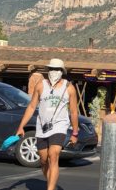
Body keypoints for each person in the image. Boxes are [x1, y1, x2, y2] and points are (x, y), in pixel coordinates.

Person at [16, 58, 78, 190]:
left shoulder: (69, 88)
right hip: (42, 127)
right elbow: (32, 107)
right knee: (43, 160)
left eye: (57, 69)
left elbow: (73, 112)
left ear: (62, 72)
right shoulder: (40, 85)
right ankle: (51, 182)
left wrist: (75, 132)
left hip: (59, 125)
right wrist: (21, 126)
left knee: (53, 155)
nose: (53, 72)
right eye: (51, 69)